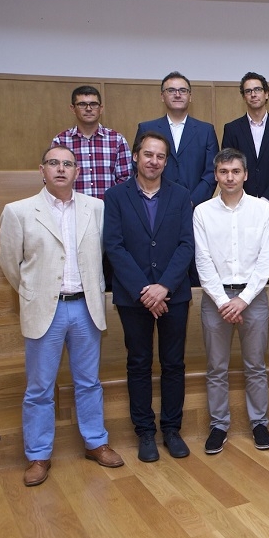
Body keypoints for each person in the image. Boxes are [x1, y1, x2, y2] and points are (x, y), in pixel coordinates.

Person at [0, 145, 124, 487]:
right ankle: (38, 455)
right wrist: (34, 292)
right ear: (42, 170)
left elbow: (107, 252)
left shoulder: (96, 208)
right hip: (45, 309)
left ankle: (95, 443)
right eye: (53, 163)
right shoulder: (19, 211)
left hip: (86, 308)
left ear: (77, 172)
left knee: (89, 382)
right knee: (40, 388)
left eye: (67, 164)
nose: (60, 169)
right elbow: (10, 263)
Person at [104, 132, 195, 462]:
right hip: (134, 297)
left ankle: (171, 429)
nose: (154, 161)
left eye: (160, 156)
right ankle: (144, 432)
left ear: (166, 162)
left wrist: (164, 286)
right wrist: (145, 290)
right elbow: (114, 246)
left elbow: (187, 244)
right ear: (135, 156)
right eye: (148, 154)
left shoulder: (180, 195)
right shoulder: (115, 196)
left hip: (173, 295)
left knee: (173, 363)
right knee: (139, 363)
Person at [193, 148, 269, 455]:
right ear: (216, 175)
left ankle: (259, 423)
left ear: (245, 175)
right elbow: (203, 261)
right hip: (215, 299)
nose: (230, 177)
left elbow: (266, 260)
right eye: (224, 172)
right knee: (216, 367)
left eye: (235, 171)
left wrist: (242, 299)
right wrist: (222, 300)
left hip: (253, 297)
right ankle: (218, 425)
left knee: (256, 365)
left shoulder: (262, 209)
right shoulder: (202, 212)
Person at [135, 71, 219, 207]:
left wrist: (191, 202)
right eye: (171, 90)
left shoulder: (206, 131)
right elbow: (138, 167)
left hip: (194, 207)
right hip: (154, 205)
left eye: (183, 90)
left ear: (190, 96)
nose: (178, 94)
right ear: (162, 96)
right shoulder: (146, 129)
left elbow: (211, 172)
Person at [222, 71, 269, 209]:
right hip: (240, 203)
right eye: (248, 91)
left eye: (257, 89)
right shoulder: (232, 129)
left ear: (266, 94)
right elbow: (229, 166)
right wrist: (245, 200)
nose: (253, 94)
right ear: (244, 97)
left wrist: (266, 200)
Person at [51, 85, 131, 199]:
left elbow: (126, 180)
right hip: (72, 207)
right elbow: (52, 179)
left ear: (101, 108)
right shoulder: (60, 141)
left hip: (107, 207)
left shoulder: (117, 140)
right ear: (73, 108)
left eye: (93, 104)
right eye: (82, 104)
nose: (88, 109)